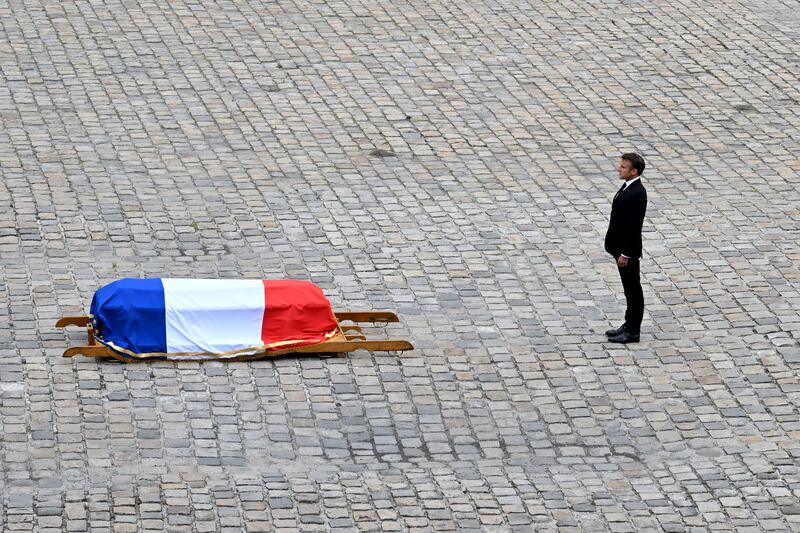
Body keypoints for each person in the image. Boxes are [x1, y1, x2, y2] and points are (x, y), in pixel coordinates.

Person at [604, 153, 647, 343]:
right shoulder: (628, 186)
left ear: (634, 171)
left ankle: (633, 331)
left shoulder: (637, 193)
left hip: (626, 252)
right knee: (628, 289)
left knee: (633, 290)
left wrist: (625, 253)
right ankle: (627, 324)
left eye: (623, 167)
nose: (619, 169)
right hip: (619, 247)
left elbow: (633, 227)